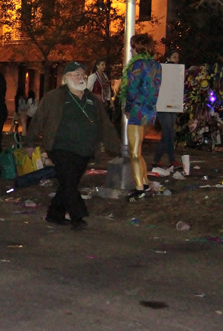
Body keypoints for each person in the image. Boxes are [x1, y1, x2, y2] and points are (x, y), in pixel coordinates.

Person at [23, 62, 121, 230]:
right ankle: (78, 215)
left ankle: (55, 214)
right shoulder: (54, 97)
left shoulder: (92, 100)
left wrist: (118, 147)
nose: (79, 78)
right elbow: (38, 119)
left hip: (84, 150)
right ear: (66, 78)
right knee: (69, 182)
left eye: (82, 75)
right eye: (75, 74)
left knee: (68, 183)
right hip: (60, 147)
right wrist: (30, 142)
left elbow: (105, 124)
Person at [118, 33, 162, 201]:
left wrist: (128, 107)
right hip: (150, 110)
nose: (131, 49)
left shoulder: (136, 65)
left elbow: (130, 88)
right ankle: (144, 182)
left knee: (134, 152)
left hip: (137, 109)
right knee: (139, 150)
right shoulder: (156, 65)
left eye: (132, 46)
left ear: (137, 47)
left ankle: (139, 189)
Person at [152, 50, 181, 168]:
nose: (176, 59)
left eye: (177, 57)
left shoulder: (176, 71)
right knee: (168, 131)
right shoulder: (164, 69)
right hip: (163, 105)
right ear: (168, 58)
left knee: (168, 133)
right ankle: (171, 159)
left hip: (172, 105)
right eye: (174, 57)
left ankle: (158, 159)